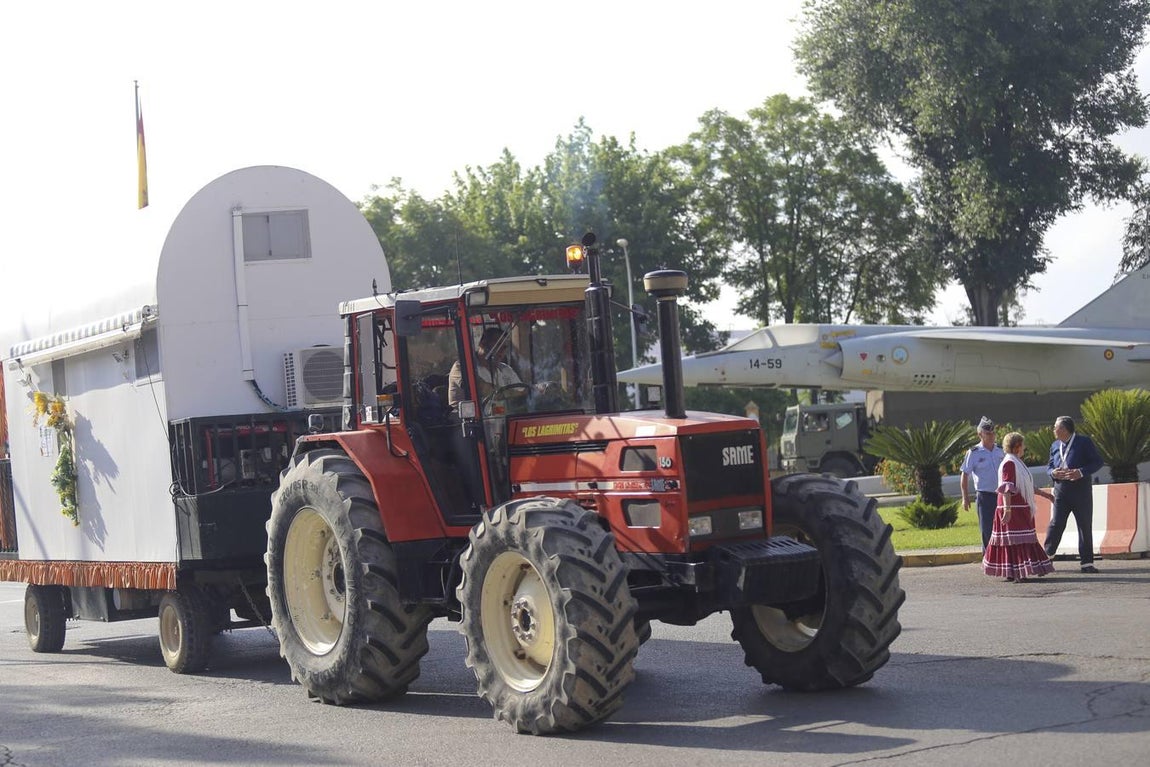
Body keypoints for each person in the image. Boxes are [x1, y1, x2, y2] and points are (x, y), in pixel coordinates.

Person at [983, 432, 1055, 582]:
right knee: (1016, 541)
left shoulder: (1017, 462)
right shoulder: (1010, 463)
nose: (1024, 448)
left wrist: (1046, 495)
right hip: (1013, 509)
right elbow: (1007, 488)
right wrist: (1008, 510)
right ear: (1016, 447)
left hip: (1020, 508)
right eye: (1022, 445)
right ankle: (1018, 572)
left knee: (1020, 540)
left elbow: (1027, 486)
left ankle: (1013, 572)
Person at [1045, 415, 1105, 573]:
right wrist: (1053, 473)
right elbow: (1049, 466)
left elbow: (1098, 462)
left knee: (1084, 525)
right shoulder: (1054, 445)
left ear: (1064, 429)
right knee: (1056, 524)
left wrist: (1081, 472)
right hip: (1061, 491)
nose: (1053, 430)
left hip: (1081, 491)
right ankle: (1046, 558)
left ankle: (1087, 563)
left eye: (1055, 427)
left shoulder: (1084, 442)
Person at [959, 416, 1005, 551]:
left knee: (1003, 529)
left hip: (1002, 495)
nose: (991, 436)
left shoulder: (1000, 450)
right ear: (980, 434)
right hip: (985, 496)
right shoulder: (973, 453)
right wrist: (965, 497)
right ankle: (988, 559)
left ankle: (1002, 559)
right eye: (988, 433)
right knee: (987, 529)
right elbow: (965, 474)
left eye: (993, 433)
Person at [448, 327, 522, 406]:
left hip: (501, 414)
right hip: (468, 415)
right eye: (498, 345)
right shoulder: (462, 367)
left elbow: (523, 392)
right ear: (482, 344)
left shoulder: (506, 369)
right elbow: (481, 388)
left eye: (504, 347)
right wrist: (511, 393)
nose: (502, 350)